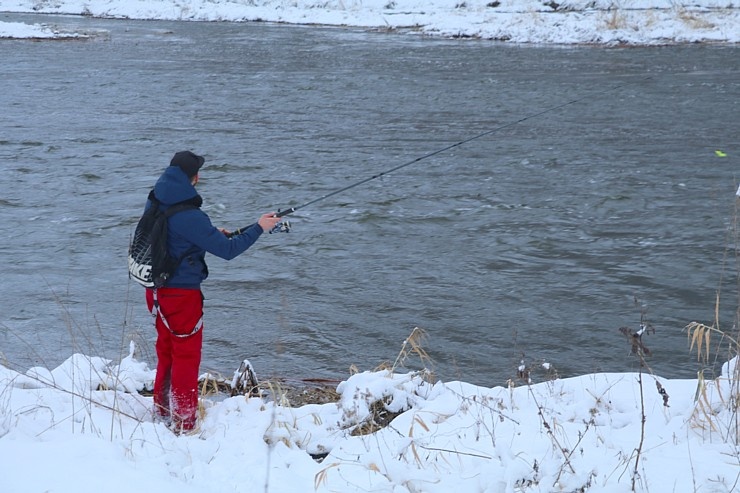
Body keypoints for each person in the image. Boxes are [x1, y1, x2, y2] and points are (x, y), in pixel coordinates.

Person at [143, 150, 281, 433]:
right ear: (193, 177)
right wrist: (259, 228)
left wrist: (207, 234)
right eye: (198, 172)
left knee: (166, 352)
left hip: (156, 292)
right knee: (186, 356)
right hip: (181, 296)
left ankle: (162, 410)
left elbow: (169, 236)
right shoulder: (190, 214)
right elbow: (228, 251)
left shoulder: (156, 199)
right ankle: (184, 421)